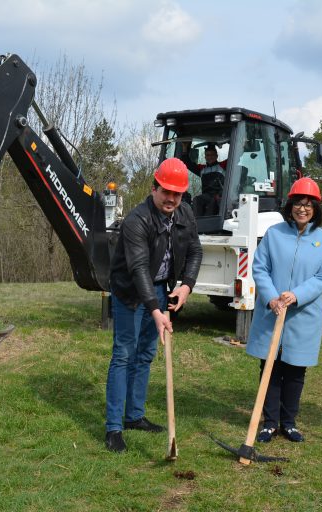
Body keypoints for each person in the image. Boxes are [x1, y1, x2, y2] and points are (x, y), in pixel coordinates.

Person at [104, 157, 202, 453]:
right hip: (130, 292)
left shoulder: (185, 214)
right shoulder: (137, 221)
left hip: (160, 288)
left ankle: (134, 416)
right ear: (154, 188)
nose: (171, 198)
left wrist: (186, 285)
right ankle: (114, 428)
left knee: (146, 353)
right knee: (124, 352)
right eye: (166, 191)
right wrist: (157, 312)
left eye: (177, 193)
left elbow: (196, 251)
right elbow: (139, 269)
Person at [245, 177, 322, 443]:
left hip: (303, 315)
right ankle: (269, 423)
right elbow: (260, 268)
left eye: (308, 205)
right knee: (270, 367)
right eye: (298, 203)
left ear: (316, 209)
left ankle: (289, 422)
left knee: (296, 369)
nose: (303, 209)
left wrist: (296, 295)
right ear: (290, 206)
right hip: (271, 312)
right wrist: (272, 298)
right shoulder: (274, 234)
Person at [186, 144, 226, 216]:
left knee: (213, 202)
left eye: (212, 155)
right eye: (207, 155)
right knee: (196, 199)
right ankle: (196, 222)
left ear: (216, 156)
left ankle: (207, 222)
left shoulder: (223, 165)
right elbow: (187, 163)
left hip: (219, 195)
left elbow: (235, 157)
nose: (210, 157)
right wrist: (184, 149)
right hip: (207, 195)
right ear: (205, 157)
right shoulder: (202, 169)